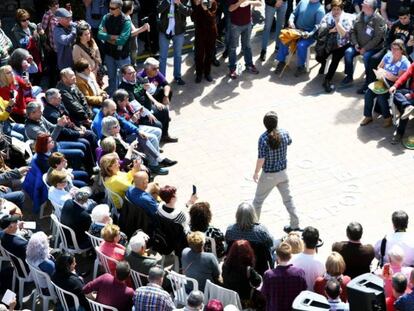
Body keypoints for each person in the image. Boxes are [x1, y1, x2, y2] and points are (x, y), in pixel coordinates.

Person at [252, 111, 300, 233]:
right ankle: (295, 225)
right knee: (288, 200)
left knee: (257, 202)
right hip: (283, 173)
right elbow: (290, 142)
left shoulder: (263, 138)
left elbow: (261, 159)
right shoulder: (284, 133)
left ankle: (254, 226)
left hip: (268, 175)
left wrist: (256, 172)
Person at [118, 64, 177, 142]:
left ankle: (164, 135)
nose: (133, 74)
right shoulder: (123, 87)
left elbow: (149, 92)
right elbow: (134, 104)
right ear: (123, 75)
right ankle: (154, 142)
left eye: (134, 72)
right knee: (158, 124)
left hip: (149, 107)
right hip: (140, 114)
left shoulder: (138, 78)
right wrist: (148, 113)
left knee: (164, 110)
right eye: (130, 73)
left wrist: (155, 102)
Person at [360, 39, 410, 128]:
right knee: (368, 93)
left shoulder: (404, 62)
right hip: (382, 80)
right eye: (392, 48)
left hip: (395, 85)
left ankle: (387, 117)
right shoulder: (388, 55)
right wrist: (380, 71)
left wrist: (390, 77)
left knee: (381, 96)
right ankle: (368, 116)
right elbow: (379, 66)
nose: (393, 51)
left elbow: (401, 78)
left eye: (396, 49)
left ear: (402, 50)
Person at [342, 0, 386, 94]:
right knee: (348, 52)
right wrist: (355, 44)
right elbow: (352, 31)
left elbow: (377, 38)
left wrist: (365, 48)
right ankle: (349, 76)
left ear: (370, 7)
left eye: (364, 4)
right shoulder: (359, 16)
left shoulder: (379, 19)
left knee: (366, 57)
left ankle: (368, 80)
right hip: (359, 45)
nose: (361, 4)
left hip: (373, 48)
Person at [274, 0, 324, 77]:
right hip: (296, 30)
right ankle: (281, 61)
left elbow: (318, 27)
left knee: (301, 45)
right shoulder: (302, 2)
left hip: (309, 35)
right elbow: (293, 14)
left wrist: (309, 34)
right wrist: (291, 20)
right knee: (284, 38)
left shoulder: (320, 9)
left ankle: (301, 66)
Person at [316, 0, 354, 93]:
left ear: (341, 9)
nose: (336, 11)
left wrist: (337, 23)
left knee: (335, 59)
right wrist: (330, 30)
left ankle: (327, 80)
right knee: (318, 56)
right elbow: (321, 30)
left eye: (338, 9)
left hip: (342, 44)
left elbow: (345, 35)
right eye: (334, 9)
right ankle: (323, 63)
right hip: (328, 43)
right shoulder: (328, 16)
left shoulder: (345, 18)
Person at [225, 202, 274, 272]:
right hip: (259, 268)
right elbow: (270, 244)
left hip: (236, 268)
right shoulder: (261, 231)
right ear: (252, 215)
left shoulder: (230, 230)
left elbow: (227, 243)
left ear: (237, 215)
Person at [98, 0, 132, 95]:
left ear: (120, 8)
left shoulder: (126, 22)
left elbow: (121, 40)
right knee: (111, 78)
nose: (110, 10)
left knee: (125, 79)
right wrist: (113, 37)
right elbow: (99, 35)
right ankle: (113, 97)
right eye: (109, 7)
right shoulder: (106, 17)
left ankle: (126, 99)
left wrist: (107, 36)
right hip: (109, 54)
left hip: (122, 56)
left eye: (113, 8)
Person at [261, 243, 307, 311]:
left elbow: (264, 294)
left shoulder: (268, 275)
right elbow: (304, 292)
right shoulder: (300, 273)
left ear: (277, 256)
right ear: (290, 256)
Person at [158, 0, 192, 84]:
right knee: (163, 57)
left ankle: (177, 77)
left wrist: (179, 3)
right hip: (164, 30)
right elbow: (157, 10)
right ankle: (162, 79)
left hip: (179, 31)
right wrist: (167, 2)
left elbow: (189, 12)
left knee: (178, 55)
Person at [222, 240, 263, 308]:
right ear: (248, 252)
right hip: (244, 302)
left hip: (229, 300)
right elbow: (257, 282)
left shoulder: (225, 265)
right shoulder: (248, 270)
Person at [227, 0, 261, 79]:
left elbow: (259, 3)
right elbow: (230, 9)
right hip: (235, 25)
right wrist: (239, 2)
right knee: (233, 47)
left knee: (247, 46)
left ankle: (249, 65)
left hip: (247, 23)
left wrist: (249, 2)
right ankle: (232, 69)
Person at [191, 0, 217, 83]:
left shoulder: (213, 2)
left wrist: (205, 9)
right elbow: (192, 18)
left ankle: (207, 73)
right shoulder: (195, 3)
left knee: (209, 54)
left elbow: (212, 17)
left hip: (211, 33)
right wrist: (197, 6)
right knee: (199, 55)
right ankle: (199, 74)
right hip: (200, 33)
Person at [388, 61, 414, 144]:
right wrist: (395, 85)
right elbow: (406, 74)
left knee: (404, 106)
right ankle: (407, 106)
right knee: (396, 93)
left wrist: (412, 95)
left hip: (412, 94)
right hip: (411, 91)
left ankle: (399, 133)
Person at [41, 0, 60, 87]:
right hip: (53, 47)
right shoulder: (47, 15)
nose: (56, 6)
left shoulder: (61, 12)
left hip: (62, 46)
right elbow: (42, 30)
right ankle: (52, 88)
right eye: (53, 5)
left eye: (57, 4)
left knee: (61, 68)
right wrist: (45, 44)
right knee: (53, 69)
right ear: (49, 6)